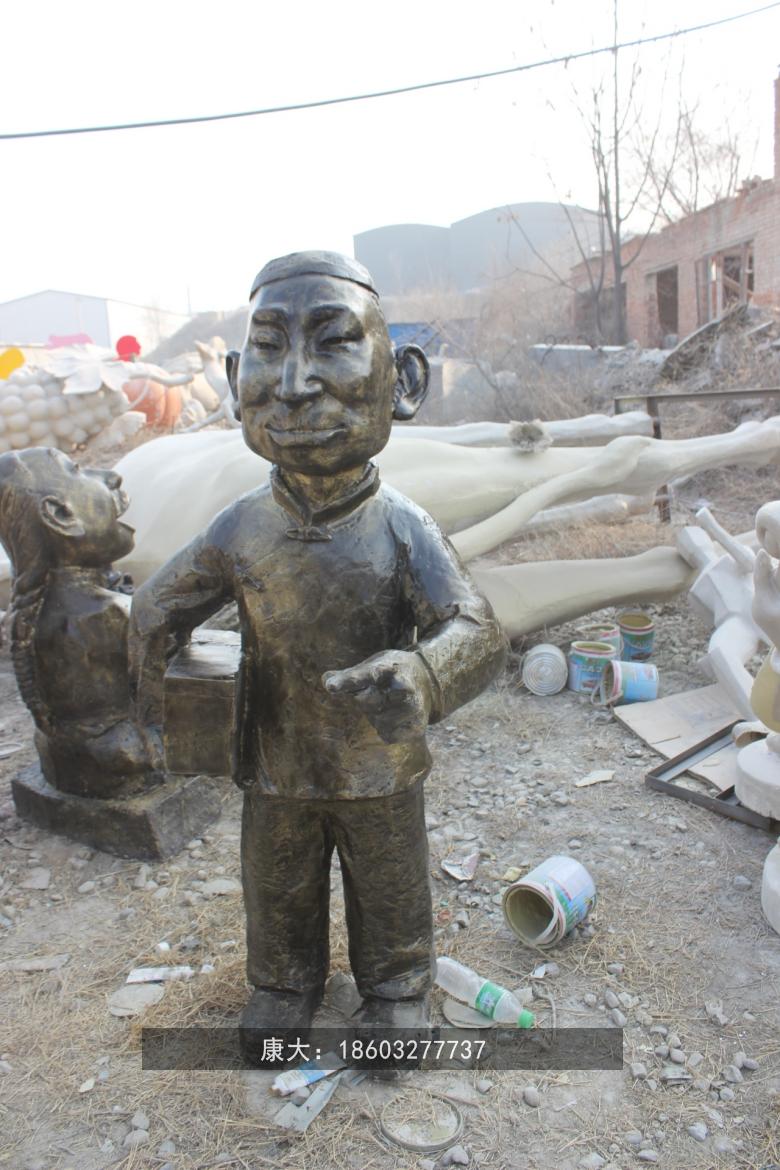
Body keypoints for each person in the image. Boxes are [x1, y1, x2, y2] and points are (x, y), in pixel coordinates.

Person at [129, 251, 506, 1050]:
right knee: (278, 888)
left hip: (379, 766)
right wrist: (160, 703)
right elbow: (158, 607)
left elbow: (477, 628)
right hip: (274, 764)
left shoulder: (401, 525)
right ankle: (283, 984)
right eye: (269, 347)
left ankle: (396, 992)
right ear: (236, 379)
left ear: (403, 382)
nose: (296, 384)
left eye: (333, 342)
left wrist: (424, 672)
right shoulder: (242, 526)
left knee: (390, 886)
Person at [0, 446, 149, 797]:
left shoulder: (46, 610)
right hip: (114, 758)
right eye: (78, 470)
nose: (111, 477)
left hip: (66, 756)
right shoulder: (101, 613)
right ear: (61, 514)